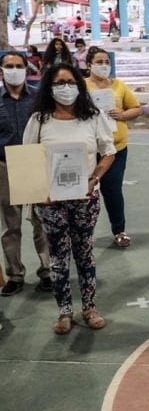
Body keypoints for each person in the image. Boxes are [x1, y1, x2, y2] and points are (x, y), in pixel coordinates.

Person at [22, 62, 116, 335]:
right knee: (59, 257)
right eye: (59, 83)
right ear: (49, 88)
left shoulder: (93, 116)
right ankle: (64, 311)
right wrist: (40, 192)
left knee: (85, 253)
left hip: (85, 198)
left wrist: (94, 178)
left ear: (79, 85)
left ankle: (89, 307)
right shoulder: (39, 120)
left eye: (71, 82)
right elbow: (28, 158)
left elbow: (109, 151)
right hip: (51, 202)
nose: (66, 88)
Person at [0, 51, 50, 297]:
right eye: (9, 66)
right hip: (5, 165)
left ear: (26, 68)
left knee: (41, 220)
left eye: (18, 65)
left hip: (34, 161)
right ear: (1, 70)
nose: (14, 70)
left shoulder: (39, 98)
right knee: (10, 225)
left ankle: (47, 270)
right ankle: (15, 274)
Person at [85, 48, 142, 247]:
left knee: (113, 190)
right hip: (89, 149)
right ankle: (83, 234)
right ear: (89, 65)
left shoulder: (119, 85)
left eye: (106, 62)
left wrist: (123, 115)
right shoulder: (81, 86)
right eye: (99, 62)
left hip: (116, 148)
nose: (104, 65)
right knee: (85, 192)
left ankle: (119, 230)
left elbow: (136, 108)